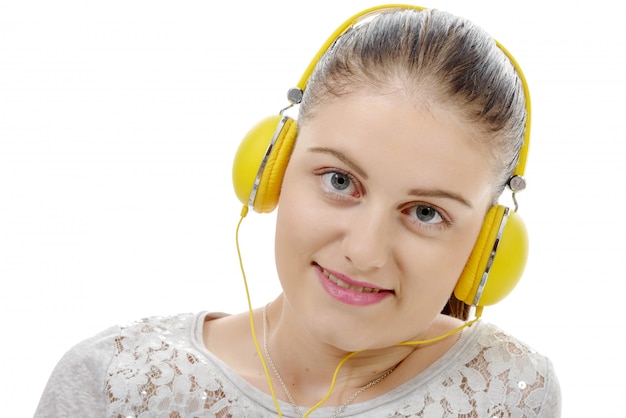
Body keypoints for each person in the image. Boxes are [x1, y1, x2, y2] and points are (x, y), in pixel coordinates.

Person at [35, 4, 561, 417]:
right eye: (340, 181)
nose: (363, 252)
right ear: (271, 172)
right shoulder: (115, 380)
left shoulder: (512, 391)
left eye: (425, 212)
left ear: (488, 247)